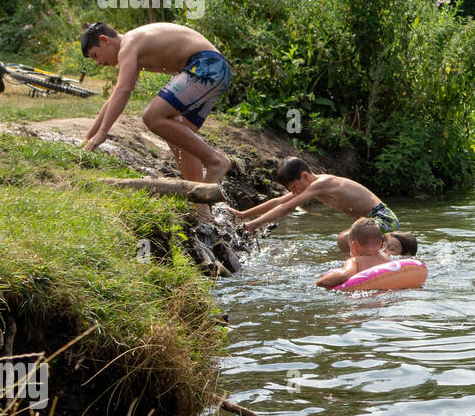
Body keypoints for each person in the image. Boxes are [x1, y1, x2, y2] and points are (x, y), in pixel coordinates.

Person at [80, 21, 233, 184]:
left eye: (95, 55)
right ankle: (200, 200)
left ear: (105, 40)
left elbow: (122, 90)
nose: (97, 63)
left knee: (152, 116)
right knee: (178, 136)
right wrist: (89, 137)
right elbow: (115, 97)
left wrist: (102, 133)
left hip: (207, 65)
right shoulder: (134, 51)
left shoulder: (129, 44)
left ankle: (215, 161)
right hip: (216, 70)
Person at [235, 156, 415, 257]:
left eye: (295, 188)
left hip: (383, 219)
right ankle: (377, 256)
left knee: (345, 240)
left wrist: (252, 226)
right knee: (347, 240)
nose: (295, 192)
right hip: (372, 222)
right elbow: (278, 202)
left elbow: (286, 208)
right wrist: (242, 215)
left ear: (305, 176)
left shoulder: (323, 183)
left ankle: (381, 257)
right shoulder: (311, 186)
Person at [316, 218, 394, 288]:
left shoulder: (355, 261)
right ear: (380, 243)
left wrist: (319, 282)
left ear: (354, 246)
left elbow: (345, 275)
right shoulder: (385, 258)